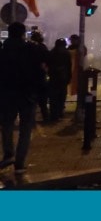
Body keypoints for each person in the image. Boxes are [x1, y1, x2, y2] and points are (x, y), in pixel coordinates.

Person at [0, 22, 47, 174]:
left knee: (6, 124)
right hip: (27, 94)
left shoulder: (3, 51)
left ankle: (8, 153)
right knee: (25, 128)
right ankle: (19, 163)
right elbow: (41, 69)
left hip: (7, 94)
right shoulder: (32, 49)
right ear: (22, 33)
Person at [47, 38, 72, 121]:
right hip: (59, 79)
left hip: (58, 79)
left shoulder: (53, 53)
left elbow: (69, 67)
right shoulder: (64, 53)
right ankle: (57, 113)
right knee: (58, 97)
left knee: (58, 97)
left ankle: (57, 113)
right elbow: (68, 67)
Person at [29, 30, 50, 122]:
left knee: (32, 101)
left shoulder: (30, 47)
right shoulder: (43, 48)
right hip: (41, 77)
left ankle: (32, 120)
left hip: (32, 78)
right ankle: (46, 117)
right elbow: (47, 60)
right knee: (43, 101)